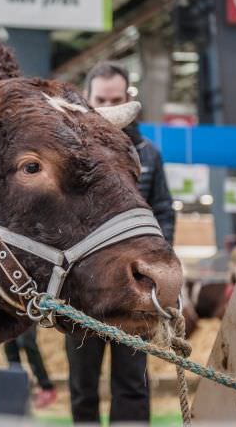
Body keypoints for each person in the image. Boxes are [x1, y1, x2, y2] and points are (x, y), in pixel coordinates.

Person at [65, 60, 175, 425]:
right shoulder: (68, 152)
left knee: (132, 383)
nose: (109, 107)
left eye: (116, 98)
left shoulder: (148, 154)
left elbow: (163, 211)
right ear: (86, 97)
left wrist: (159, 265)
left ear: (128, 98)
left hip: (134, 288)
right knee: (83, 384)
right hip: (83, 289)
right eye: (101, 98)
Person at [4, 326, 57, 409]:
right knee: (10, 346)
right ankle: (17, 389)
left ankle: (46, 387)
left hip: (26, 314)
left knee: (26, 340)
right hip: (7, 316)